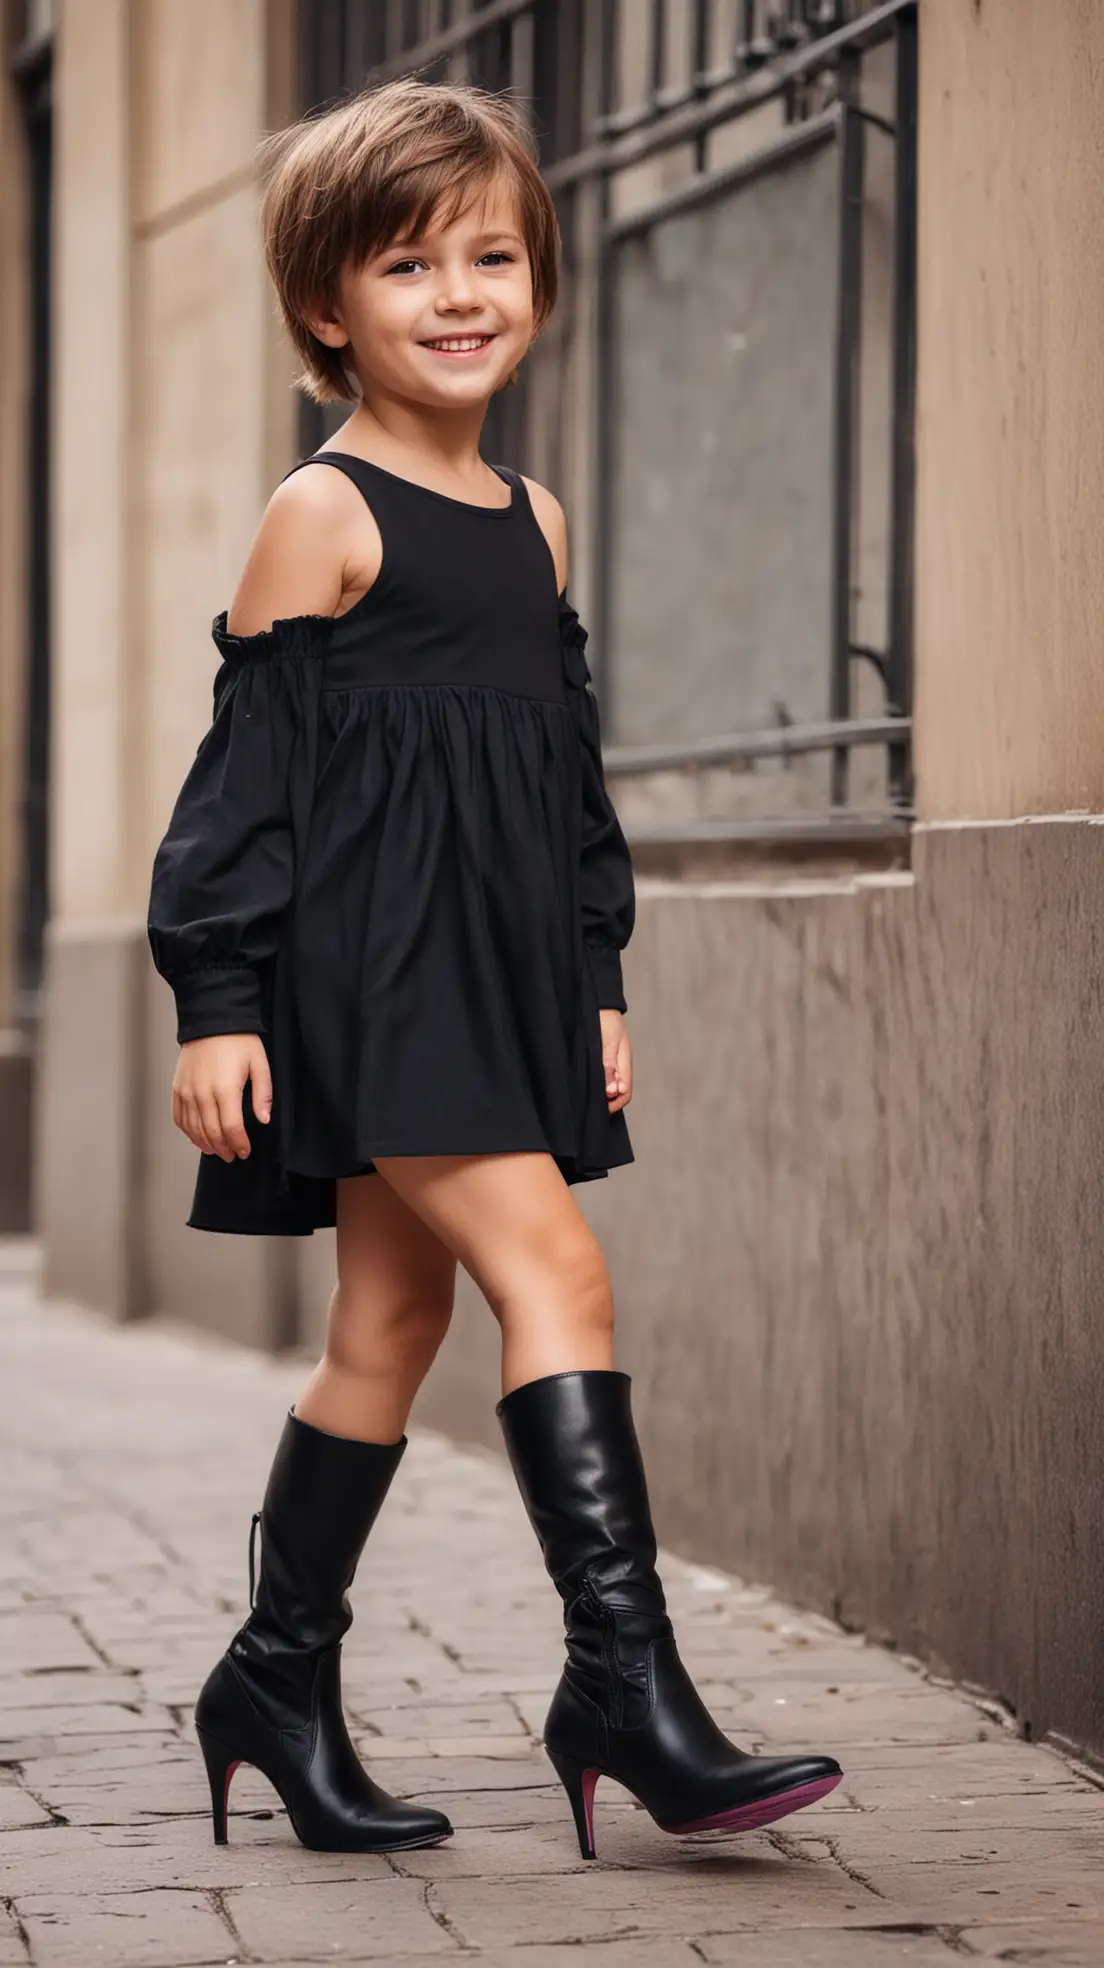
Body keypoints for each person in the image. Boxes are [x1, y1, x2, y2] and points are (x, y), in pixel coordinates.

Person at [146, 74, 842, 1863]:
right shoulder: (324, 512)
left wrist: (593, 971)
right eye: (407, 265)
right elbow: (244, 790)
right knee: (564, 1277)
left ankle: (273, 1679)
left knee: (393, 1321)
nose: (461, 294)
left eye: (494, 256)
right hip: (377, 984)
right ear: (327, 309)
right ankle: (623, 1684)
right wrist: (220, 1001)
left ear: (538, 279)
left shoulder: (532, 520)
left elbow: (558, 770)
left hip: (497, 972)